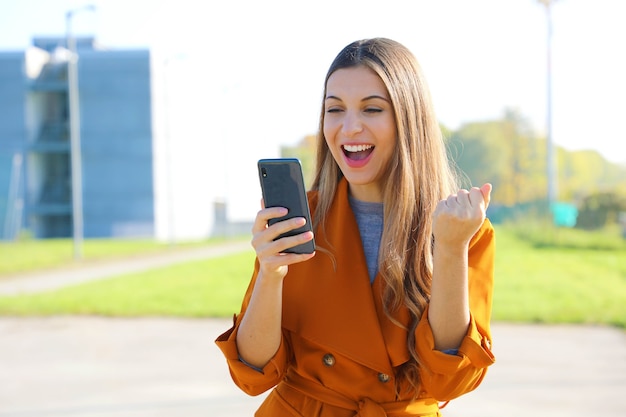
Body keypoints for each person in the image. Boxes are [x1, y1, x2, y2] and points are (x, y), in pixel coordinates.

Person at [216, 37, 495, 417]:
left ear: (408, 119)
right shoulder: (301, 217)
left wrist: (449, 248)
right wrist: (270, 271)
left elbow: (448, 380)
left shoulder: (460, 227)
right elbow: (252, 374)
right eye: (335, 110)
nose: (349, 128)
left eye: (372, 109)